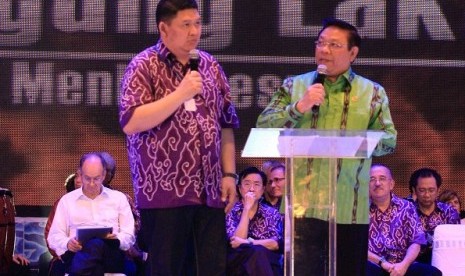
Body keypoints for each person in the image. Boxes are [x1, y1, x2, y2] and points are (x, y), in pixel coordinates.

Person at [256, 18, 397, 275]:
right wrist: (299, 107)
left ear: (353, 53)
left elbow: (389, 141)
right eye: (320, 43)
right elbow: (264, 125)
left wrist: (355, 144)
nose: (324, 50)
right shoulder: (294, 86)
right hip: (301, 208)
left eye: (334, 45)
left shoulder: (373, 92)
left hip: (349, 210)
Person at [118, 0, 240, 274]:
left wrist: (229, 174)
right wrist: (180, 94)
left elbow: (226, 124)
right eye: (186, 25)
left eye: (197, 23)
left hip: (209, 192)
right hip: (164, 194)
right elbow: (131, 122)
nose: (194, 31)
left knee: (210, 268)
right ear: (164, 28)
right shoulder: (143, 65)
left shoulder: (209, 65)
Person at [47, 152, 135, 275]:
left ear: (104, 175)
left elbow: (129, 235)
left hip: (110, 254)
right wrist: (68, 243)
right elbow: (54, 237)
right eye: (87, 178)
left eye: (96, 178)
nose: (92, 183)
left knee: (96, 244)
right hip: (77, 253)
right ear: (80, 175)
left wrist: (117, 239)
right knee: (92, 252)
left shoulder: (118, 198)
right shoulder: (67, 201)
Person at [367, 164, 442, 276]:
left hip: (403, 265)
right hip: (373, 265)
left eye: (382, 178)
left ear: (391, 184)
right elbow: (357, 245)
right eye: (372, 179)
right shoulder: (359, 211)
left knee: (432, 273)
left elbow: (417, 241)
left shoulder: (407, 207)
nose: (377, 183)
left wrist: (404, 265)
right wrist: (382, 262)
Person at [226, 167, 284, 276]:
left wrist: (248, 242)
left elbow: (275, 244)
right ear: (239, 188)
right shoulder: (231, 212)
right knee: (256, 253)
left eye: (257, 184)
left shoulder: (272, 213)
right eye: (247, 184)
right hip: (239, 263)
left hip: (267, 262)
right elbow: (235, 243)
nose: (251, 189)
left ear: (262, 190)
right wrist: (246, 209)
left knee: (259, 252)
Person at [409, 168, 460, 264]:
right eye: (422, 190)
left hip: (445, 261)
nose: (427, 195)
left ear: (438, 190)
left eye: (431, 190)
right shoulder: (407, 212)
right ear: (414, 190)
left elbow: (455, 245)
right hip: (414, 264)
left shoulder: (449, 212)